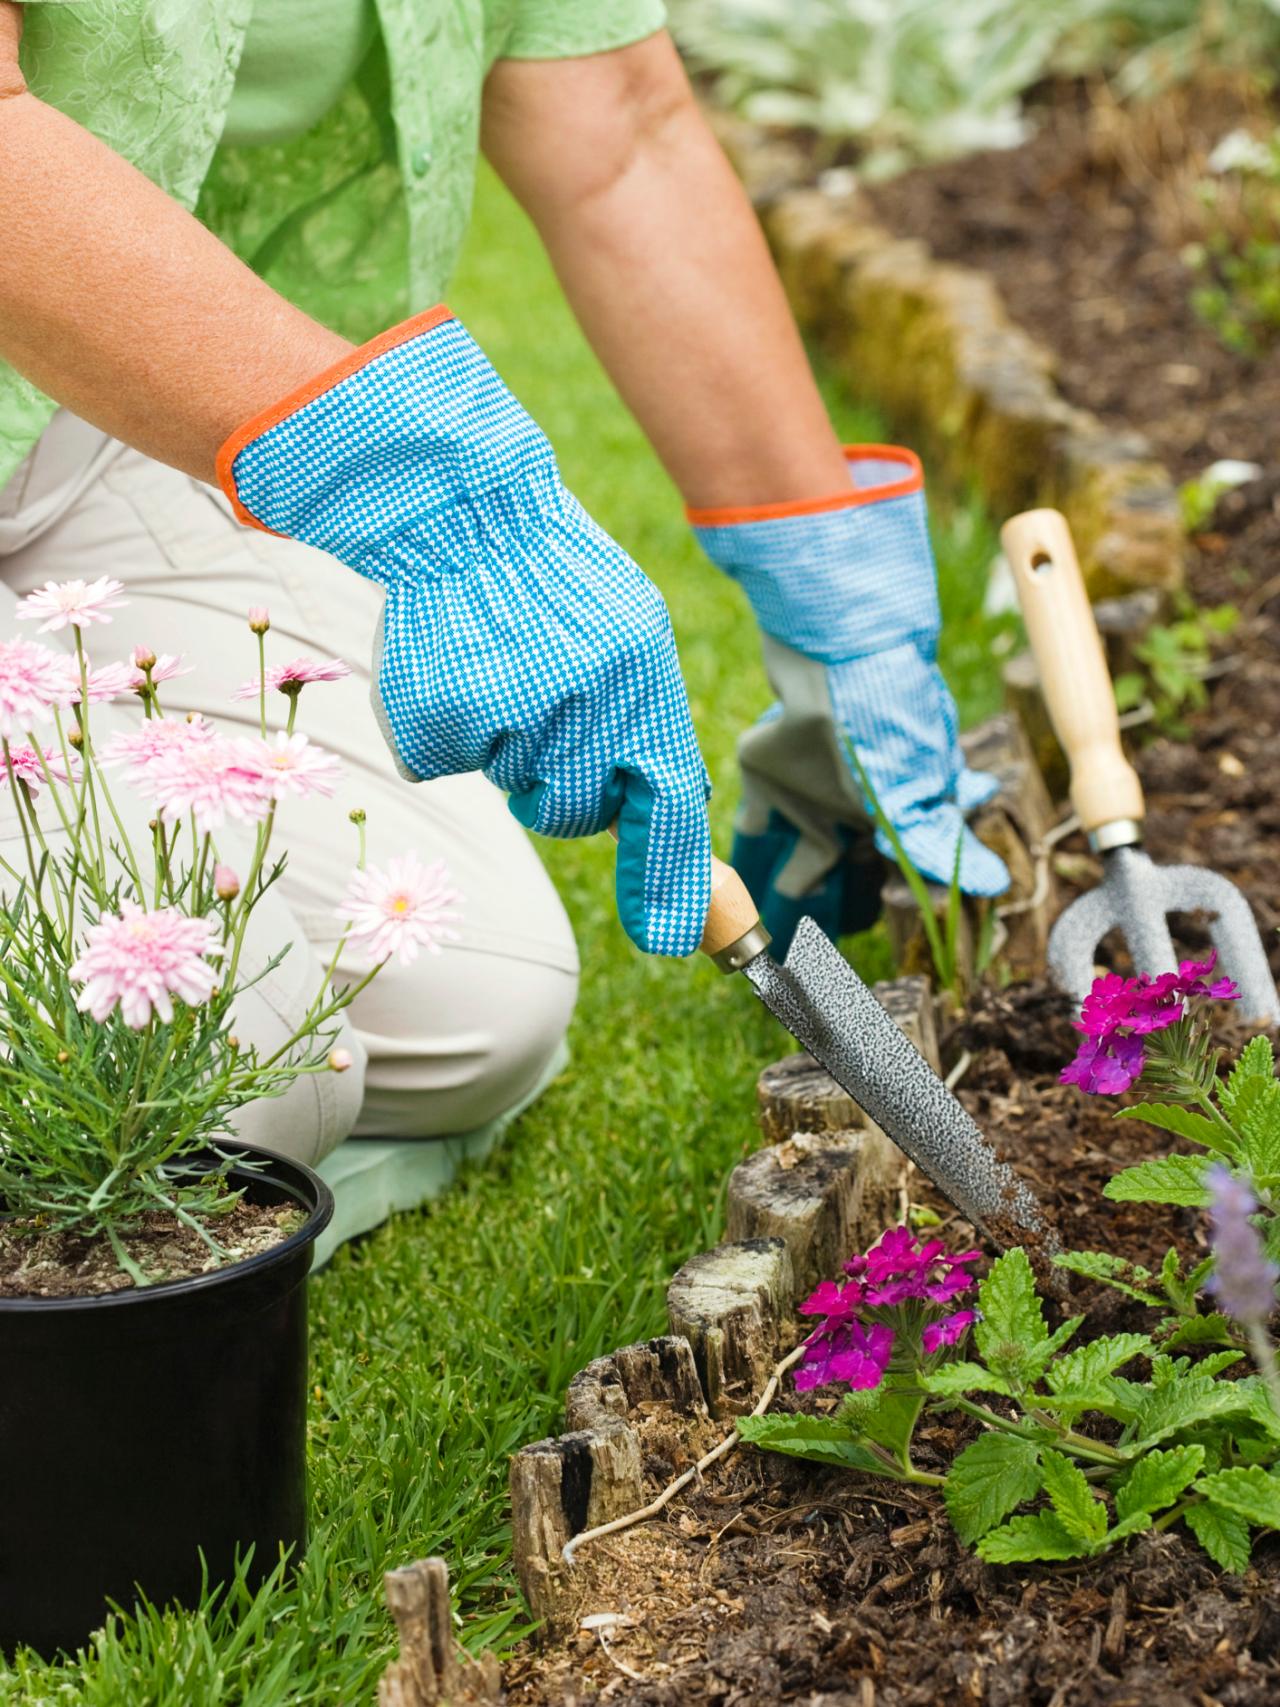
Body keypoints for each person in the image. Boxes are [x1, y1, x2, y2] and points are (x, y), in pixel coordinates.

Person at [0, 2, 1007, 1248]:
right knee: (240, 1072)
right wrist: (427, 495)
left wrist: (838, 614)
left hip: (87, 422)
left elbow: (620, 137)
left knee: (480, 1005)